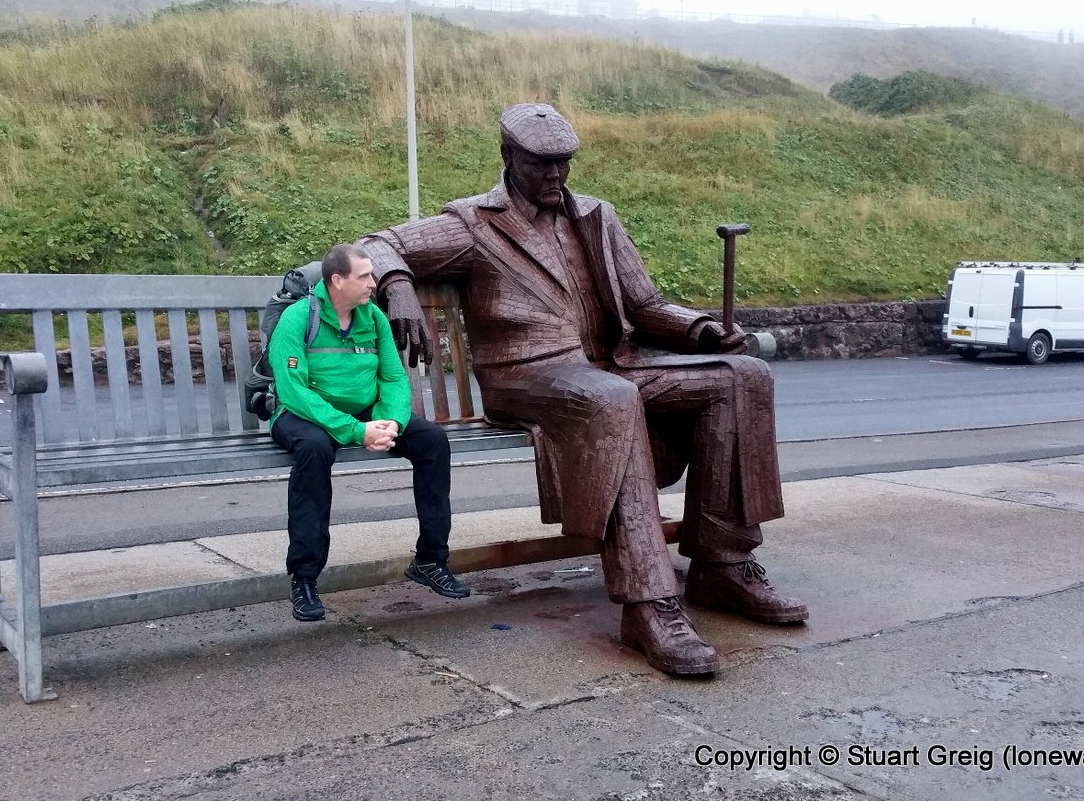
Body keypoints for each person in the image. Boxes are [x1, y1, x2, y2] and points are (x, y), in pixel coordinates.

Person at [356, 103, 806, 675]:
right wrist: (397, 285)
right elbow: (373, 243)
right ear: (508, 156)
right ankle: (649, 603)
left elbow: (644, 305)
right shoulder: (473, 223)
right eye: (541, 163)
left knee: (741, 377)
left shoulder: (596, 216)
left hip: (607, 368)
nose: (555, 174)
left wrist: (700, 329)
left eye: (564, 162)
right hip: (527, 375)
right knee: (611, 400)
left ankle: (723, 565)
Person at [268, 243, 471, 622]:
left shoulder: (373, 317)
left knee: (432, 441)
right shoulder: (297, 319)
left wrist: (392, 422)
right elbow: (294, 391)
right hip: (303, 413)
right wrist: (355, 430)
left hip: (364, 413)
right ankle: (304, 577)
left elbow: (393, 377)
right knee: (315, 450)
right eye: (364, 277)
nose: (373, 284)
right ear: (337, 280)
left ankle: (430, 560)